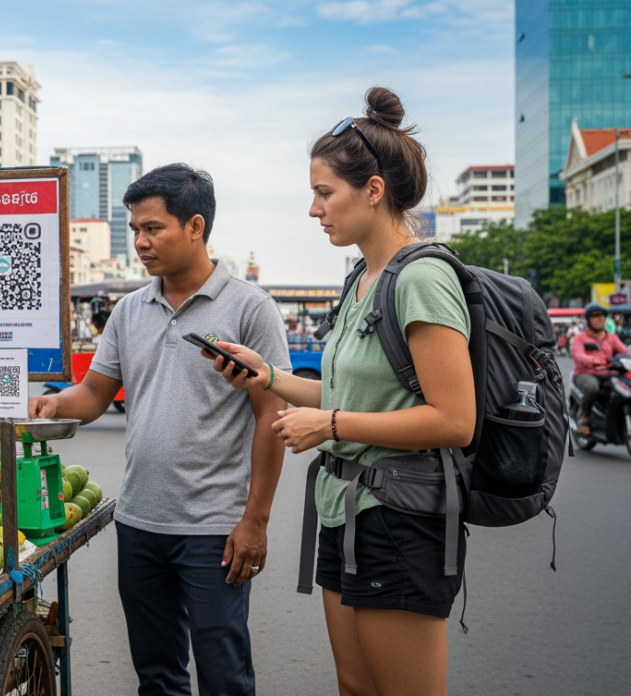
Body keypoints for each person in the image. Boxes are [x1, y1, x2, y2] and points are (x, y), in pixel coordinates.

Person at [208, 88, 475, 696]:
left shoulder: (423, 278)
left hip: (399, 516)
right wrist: (267, 376)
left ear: (373, 190)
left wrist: (329, 427)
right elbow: (346, 390)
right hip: (344, 509)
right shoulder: (361, 278)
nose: (313, 209)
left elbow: (454, 419)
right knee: (355, 688)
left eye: (324, 193)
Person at [28, 163, 290, 696]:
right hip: (139, 523)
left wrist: (255, 521)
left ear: (195, 226)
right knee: (157, 675)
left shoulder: (250, 308)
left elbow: (272, 416)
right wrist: (53, 404)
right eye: (135, 230)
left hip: (214, 529)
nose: (140, 242)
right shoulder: (129, 310)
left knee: (224, 676)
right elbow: (95, 394)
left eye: (153, 228)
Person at [572, 302, 627, 433]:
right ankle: (584, 416)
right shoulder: (580, 338)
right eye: (596, 316)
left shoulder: (611, 338)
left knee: (624, 386)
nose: (600, 319)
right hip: (586, 373)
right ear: (588, 319)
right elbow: (578, 355)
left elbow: (624, 351)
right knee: (592, 387)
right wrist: (595, 361)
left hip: (608, 373)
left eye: (602, 316)